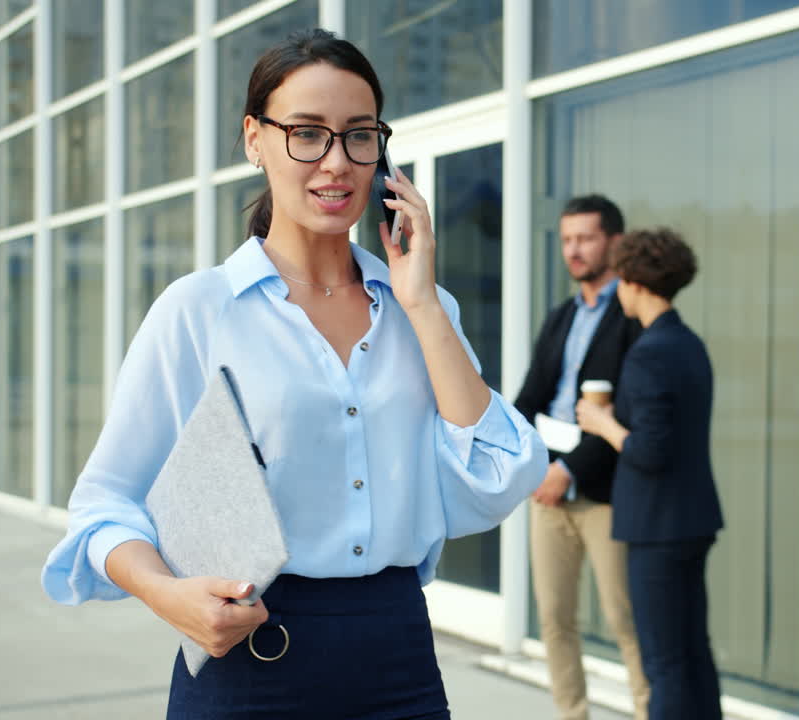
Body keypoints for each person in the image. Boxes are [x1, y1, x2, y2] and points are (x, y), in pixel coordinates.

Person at [40, 29, 546, 719]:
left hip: (399, 658)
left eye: (358, 135)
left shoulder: (419, 308)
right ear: (255, 139)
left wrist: (423, 302)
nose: (336, 163)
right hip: (249, 660)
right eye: (306, 133)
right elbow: (103, 509)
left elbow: (498, 474)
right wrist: (169, 595)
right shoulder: (200, 310)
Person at [575, 227, 724, 720]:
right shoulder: (688, 343)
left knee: (664, 662)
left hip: (657, 526)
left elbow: (649, 451)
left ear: (634, 281)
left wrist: (603, 424)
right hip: (692, 520)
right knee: (692, 652)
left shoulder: (648, 352)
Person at [512, 195, 649, 720]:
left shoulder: (632, 313)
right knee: (554, 618)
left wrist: (566, 471)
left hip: (604, 492)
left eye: (585, 238)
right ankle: (573, 715)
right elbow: (530, 399)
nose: (573, 250)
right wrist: (533, 467)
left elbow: (628, 411)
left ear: (614, 241)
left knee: (625, 619)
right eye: (567, 240)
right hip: (547, 489)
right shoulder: (561, 316)